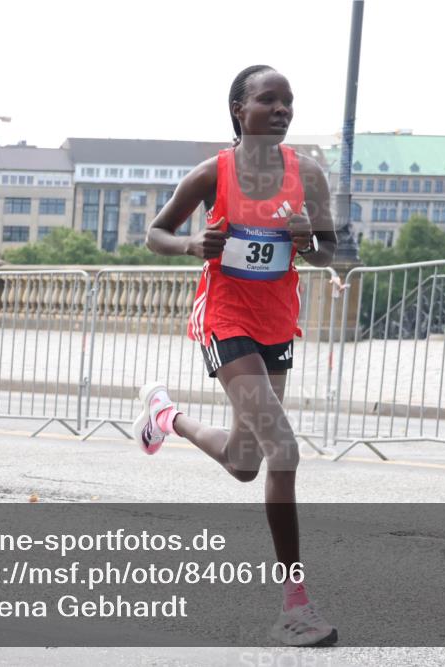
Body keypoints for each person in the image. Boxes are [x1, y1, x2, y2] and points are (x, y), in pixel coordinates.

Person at [135, 64, 339, 647]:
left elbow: (334, 252)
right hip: (224, 318)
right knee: (284, 449)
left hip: (277, 322)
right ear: (238, 111)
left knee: (246, 461)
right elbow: (156, 233)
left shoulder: (310, 175)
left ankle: (165, 418)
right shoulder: (212, 173)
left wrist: (311, 243)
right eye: (268, 101)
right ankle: (295, 606)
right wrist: (191, 244)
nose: (281, 110)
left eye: (288, 103)